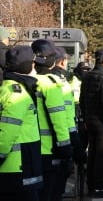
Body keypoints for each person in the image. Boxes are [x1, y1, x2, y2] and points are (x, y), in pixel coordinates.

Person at [31, 39, 73, 201]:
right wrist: (67, 148)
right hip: (50, 149)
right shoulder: (51, 83)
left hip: (30, 150)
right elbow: (59, 120)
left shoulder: (25, 82)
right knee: (52, 192)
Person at [0, 46, 43, 201]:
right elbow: (7, 132)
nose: (35, 67)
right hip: (16, 167)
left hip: (20, 165)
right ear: (25, 66)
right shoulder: (16, 92)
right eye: (33, 63)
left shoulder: (17, 88)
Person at [80, 49, 103, 198]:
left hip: (90, 121)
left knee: (92, 155)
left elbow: (82, 100)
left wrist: (85, 118)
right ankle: (98, 187)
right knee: (102, 156)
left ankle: (91, 186)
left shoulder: (88, 76)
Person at [50, 46, 87, 196]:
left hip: (35, 149)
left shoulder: (36, 80)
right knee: (55, 188)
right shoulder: (61, 82)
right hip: (60, 143)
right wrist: (76, 147)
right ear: (63, 62)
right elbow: (63, 119)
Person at [70, 61, 91, 151]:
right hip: (73, 108)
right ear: (78, 70)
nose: (85, 71)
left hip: (84, 108)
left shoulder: (88, 81)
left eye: (87, 69)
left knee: (84, 133)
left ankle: (82, 154)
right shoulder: (72, 79)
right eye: (83, 69)